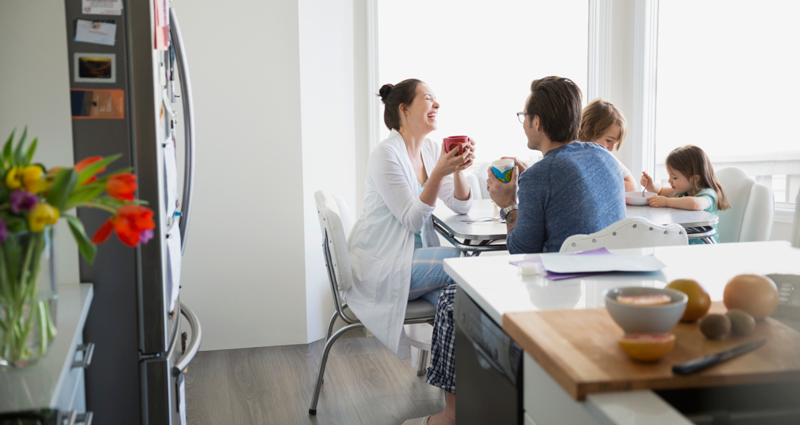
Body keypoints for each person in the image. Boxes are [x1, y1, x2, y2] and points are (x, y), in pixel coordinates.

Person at [345, 79, 474, 425]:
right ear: (404, 109)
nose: (436, 105)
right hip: (382, 266)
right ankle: (456, 411)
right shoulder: (385, 156)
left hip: (413, 265)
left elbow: (461, 208)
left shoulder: (431, 150)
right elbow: (412, 219)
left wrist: (457, 171)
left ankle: (461, 407)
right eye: (428, 98)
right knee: (464, 267)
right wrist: (439, 174)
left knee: (459, 303)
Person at [487, 77, 627, 255]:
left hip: (567, 279)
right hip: (613, 275)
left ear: (536, 122)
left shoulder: (539, 176)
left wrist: (508, 204)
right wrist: (531, 179)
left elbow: (522, 251)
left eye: (524, 116)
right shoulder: (605, 156)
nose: (523, 123)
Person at [640, 145, 729, 244]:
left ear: (694, 179)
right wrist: (651, 186)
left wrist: (667, 201)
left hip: (704, 248)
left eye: (674, 178)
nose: (669, 181)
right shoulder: (683, 191)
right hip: (683, 243)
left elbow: (695, 204)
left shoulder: (708, 194)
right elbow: (660, 190)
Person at [577, 98, 636, 191]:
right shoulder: (571, 155)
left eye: (614, 143)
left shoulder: (606, 157)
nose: (611, 149)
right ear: (587, 130)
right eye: (608, 140)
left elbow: (631, 186)